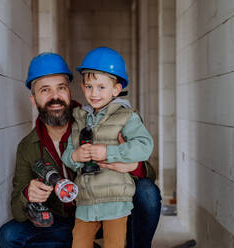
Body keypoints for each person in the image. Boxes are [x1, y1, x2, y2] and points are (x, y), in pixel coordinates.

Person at [0, 52, 161, 248]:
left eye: (61, 88)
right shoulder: (27, 147)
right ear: (33, 99)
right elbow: (16, 208)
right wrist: (28, 193)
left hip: (108, 207)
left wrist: (128, 165)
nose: (55, 97)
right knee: (8, 236)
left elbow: (149, 174)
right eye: (45, 90)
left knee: (147, 192)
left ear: (71, 91)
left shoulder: (94, 121)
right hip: (65, 221)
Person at [62, 47, 154, 248]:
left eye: (101, 87)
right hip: (85, 202)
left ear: (116, 89)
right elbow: (67, 154)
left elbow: (145, 146)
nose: (94, 93)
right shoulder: (79, 118)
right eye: (88, 86)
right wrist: (75, 156)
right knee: (78, 244)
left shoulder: (127, 116)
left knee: (114, 245)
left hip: (115, 201)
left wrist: (109, 152)